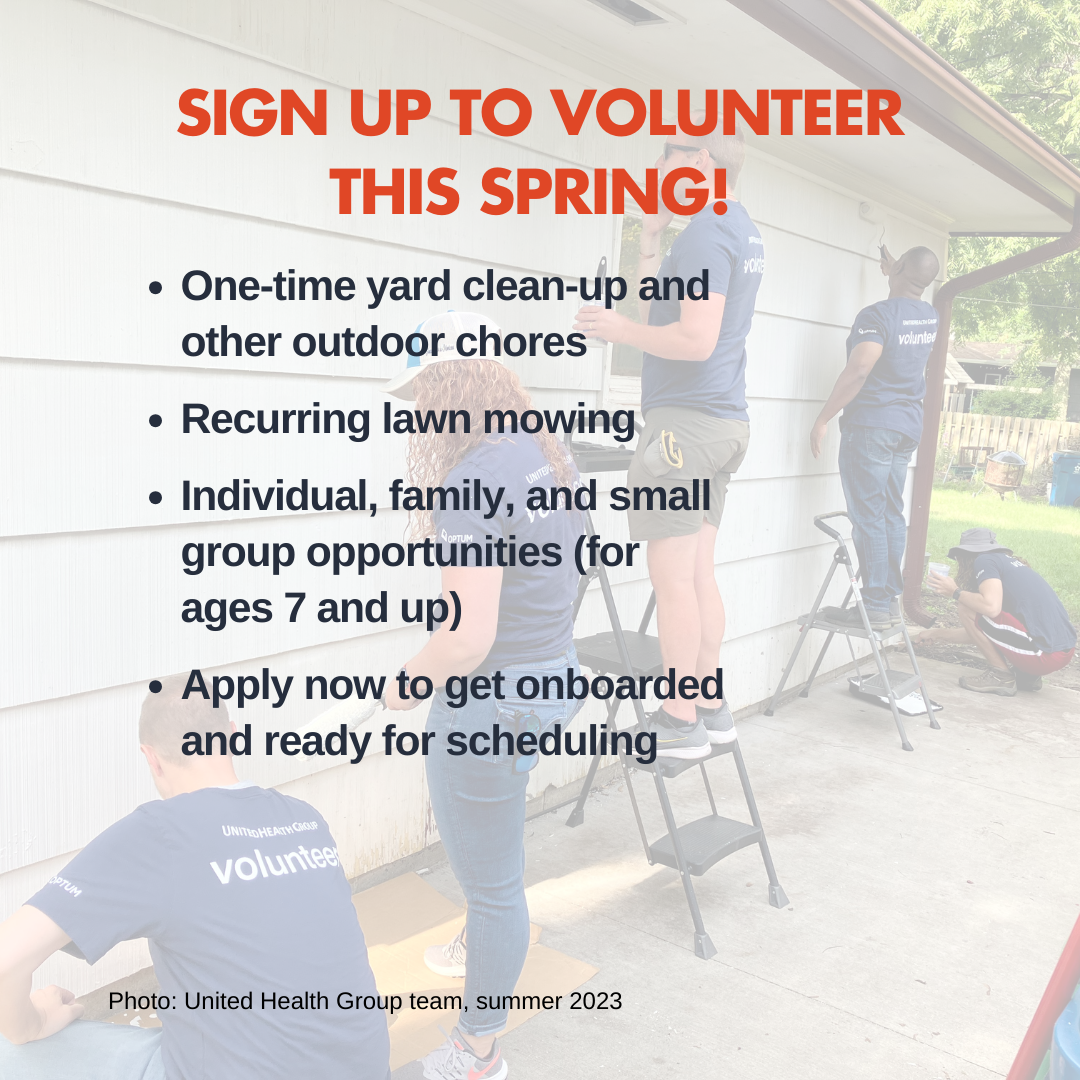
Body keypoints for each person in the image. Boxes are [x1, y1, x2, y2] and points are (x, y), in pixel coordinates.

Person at [0, 677, 390, 1080]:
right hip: (367, 1070)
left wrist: (31, 1023)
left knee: (9, 1048)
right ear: (233, 739)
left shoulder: (158, 833)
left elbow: (5, 960)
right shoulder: (305, 819)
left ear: (150, 757)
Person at [382, 312, 585, 1080]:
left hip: (493, 702)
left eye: (417, 397)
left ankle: (478, 1051)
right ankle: (477, 936)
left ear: (446, 390)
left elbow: (466, 637)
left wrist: (405, 682)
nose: (412, 414)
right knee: (494, 844)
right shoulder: (543, 448)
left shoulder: (470, 480)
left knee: (495, 883)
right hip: (548, 678)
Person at [572, 120, 762, 760]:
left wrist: (618, 329)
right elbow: (669, 312)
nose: (657, 163)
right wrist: (650, 240)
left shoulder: (708, 233)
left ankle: (678, 720)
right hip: (722, 424)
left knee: (672, 579)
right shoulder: (732, 225)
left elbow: (693, 340)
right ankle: (710, 707)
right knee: (699, 572)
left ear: (700, 159)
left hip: (685, 426)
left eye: (668, 154)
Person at [809, 244, 941, 630]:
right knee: (889, 514)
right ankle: (890, 601)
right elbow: (907, 296)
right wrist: (896, 271)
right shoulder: (928, 315)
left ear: (898, 268)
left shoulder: (877, 316)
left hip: (872, 426)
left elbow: (860, 367)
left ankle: (877, 606)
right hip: (906, 427)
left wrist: (823, 417)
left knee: (868, 518)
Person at [917, 528, 1076, 694]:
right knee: (977, 609)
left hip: (1042, 655)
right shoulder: (1009, 564)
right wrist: (936, 634)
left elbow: (990, 608)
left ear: (966, 555)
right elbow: (986, 632)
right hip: (1061, 652)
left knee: (966, 605)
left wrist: (955, 592)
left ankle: (1001, 676)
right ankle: (1027, 676)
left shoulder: (985, 560)